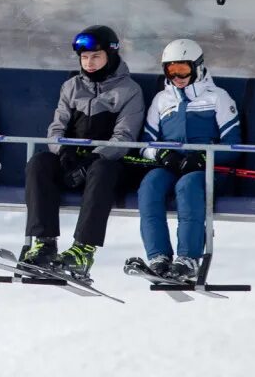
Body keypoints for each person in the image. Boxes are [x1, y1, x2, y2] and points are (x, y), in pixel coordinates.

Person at [21, 25, 144, 279]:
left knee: (102, 169)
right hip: (71, 161)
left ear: (111, 56)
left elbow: (124, 136)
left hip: (107, 165)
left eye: (96, 57)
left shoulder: (129, 91)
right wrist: (63, 150)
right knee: (40, 162)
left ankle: (83, 250)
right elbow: (56, 128)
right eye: (84, 57)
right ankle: (44, 243)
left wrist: (93, 157)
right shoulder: (71, 87)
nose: (89, 63)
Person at [136, 39, 242, 282]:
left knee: (188, 186)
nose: (177, 77)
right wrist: (161, 154)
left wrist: (204, 157)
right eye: (171, 71)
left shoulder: (218, 98)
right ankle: (159, 257)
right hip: (172, 165)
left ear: (198, 67)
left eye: (183, 70)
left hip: (209, 169)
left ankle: (188, 258)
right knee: (150, 184)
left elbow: (233, 145)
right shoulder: (162, 100)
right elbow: (145, 144)